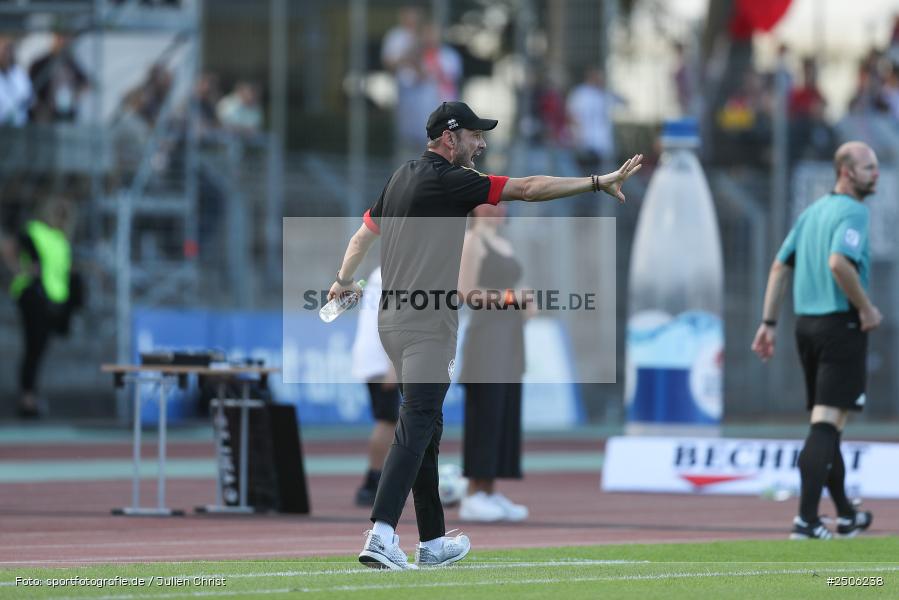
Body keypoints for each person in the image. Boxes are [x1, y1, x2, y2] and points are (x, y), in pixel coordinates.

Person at [327, 100, 642, 569]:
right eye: (476, 134)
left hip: (390, 322)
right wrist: (597, 182)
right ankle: (381, 533)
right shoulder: (454, 181)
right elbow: (531, 188)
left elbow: (360, 237)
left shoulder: (400, 177)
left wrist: (342, 281)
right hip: (428, 326)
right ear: (450, 138)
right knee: (415, 425)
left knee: (427, 430)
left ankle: (432, 542)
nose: (483, 143)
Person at [752, 141, 880, 540]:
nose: (875, 173)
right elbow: (839, 262)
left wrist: (769, 322)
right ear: (846, 172)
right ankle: (806, 520)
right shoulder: (853, 212)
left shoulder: (811, 213)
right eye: (869, 167)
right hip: (839, 326)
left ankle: (845, 514)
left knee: (829, 424)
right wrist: (866, 308)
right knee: (825, 426)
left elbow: (779, 265)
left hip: (805, 327)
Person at [457, 203, 529, 522]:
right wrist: (512, 298)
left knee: (504, 412)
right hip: (486, 338)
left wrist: (526, 305)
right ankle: (473, 491)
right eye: (491, 203)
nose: (499, 209)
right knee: (484, 412)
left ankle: (490, 488)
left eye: (501, 204)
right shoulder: (473, 241)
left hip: (510, 337)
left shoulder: (505, 243)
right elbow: (465, 292)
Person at [2, 198, 80, 418]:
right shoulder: (34, 231)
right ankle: (27, 399)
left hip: (51, 300)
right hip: (34, 296)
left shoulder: (60, 239)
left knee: (38, 349)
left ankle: (30, 396)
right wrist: (19, 271)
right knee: (34, 347)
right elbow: (9, 247)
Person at [351, 266, 401, 507]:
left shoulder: (382, 270)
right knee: (388, 420)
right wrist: (393, 363)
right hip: (380, 358)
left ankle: (378, 480)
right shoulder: (396, 270)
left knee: (390, 420)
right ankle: (371, 482)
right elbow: (391, 318)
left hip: (374, 356)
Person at [28, 33, 89, 123]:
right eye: (60, 39)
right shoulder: (41, 62)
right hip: (45, 113)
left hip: (66, 111)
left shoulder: (70, 62)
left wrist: (75, 95)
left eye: (65, 40)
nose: (63, 43)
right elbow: (30, 86)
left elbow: (85, 82)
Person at [0, 35, 33, 127]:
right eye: (2, 50)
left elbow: (29, 96)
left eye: (7, 50)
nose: (5, 54)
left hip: (19, 124)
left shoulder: (19, 73)